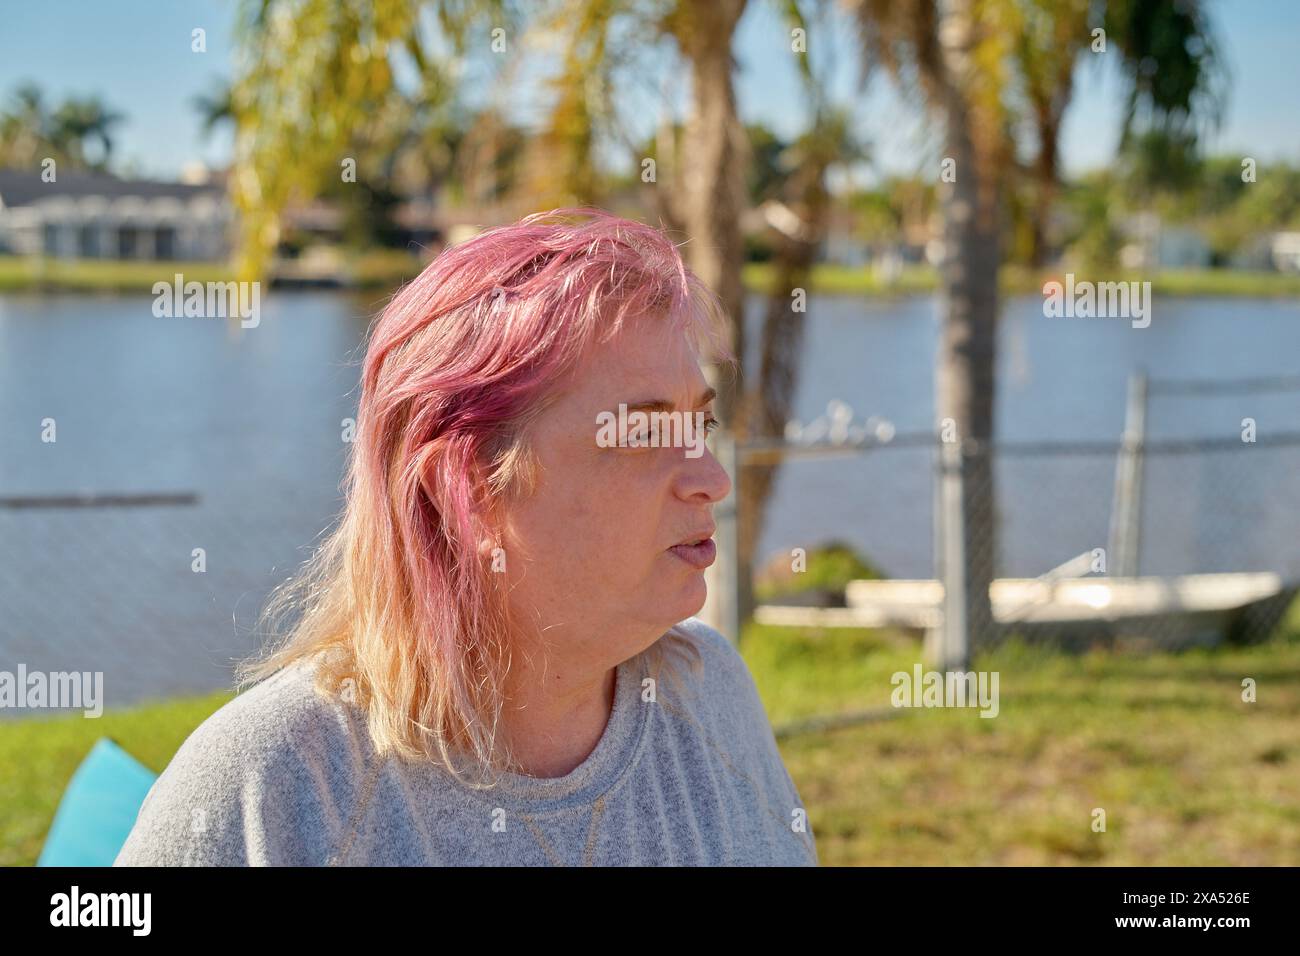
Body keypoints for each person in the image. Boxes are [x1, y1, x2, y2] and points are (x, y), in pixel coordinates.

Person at [114, 208, 818, 866]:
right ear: (469, 489)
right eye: (644, 431)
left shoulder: (708, 690)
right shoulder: (272, 794)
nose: (710, 480)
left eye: (699, 423)